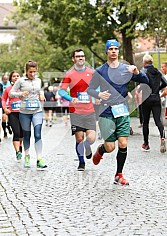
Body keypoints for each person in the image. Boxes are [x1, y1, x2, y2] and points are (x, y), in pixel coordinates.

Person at [87, 39, 149, 185]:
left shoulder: (125, 69)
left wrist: (136, 72)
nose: (113, 51)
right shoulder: (100, 71)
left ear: (118, 51)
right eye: (111, 49)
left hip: (122, 110)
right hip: (106, 111)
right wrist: (98, 95)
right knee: (110, 147)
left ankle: (119, 174)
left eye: (116, 49)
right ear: (107, 51)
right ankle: (101, 150)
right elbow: (90, 89)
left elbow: (145, 79)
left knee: (123, 143)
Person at [58, 48, 96, 171]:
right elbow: (61, 91)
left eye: (82, 56)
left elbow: (98, 87)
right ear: (73, 59)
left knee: (91, 137)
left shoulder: (92, 72)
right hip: (76, 111)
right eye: (78, 56)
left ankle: (87, 145)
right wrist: (70, 98)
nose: (81, 58)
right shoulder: (69, 74)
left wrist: (98, 97)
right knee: (79, 137)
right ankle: (81, 162)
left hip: (90, 110)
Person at [10, 60, 47, 170]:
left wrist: (41, 95)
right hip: (24, 112)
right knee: (26, 135)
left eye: (34, 72)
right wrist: (20, 94)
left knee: (38, 134)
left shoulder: (38, 80)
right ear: (26, 71)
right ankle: (27, 156)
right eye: (30, 72)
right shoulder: (20, 81)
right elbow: (11, 93)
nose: (32, 74)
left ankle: (39, 159)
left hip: (37, 111)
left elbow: (39, 91)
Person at [141, 55, 167, 153]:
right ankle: (162, 137)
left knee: (146, 122)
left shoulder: (143, 72)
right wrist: (157, 89)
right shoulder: (158, 72)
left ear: (144, 62)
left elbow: (140, 84)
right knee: (158, 120)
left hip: (146, 98)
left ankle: (146, 144)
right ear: (151, 62)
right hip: (156, 97)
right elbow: (165, 83)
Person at [2, 70, 23, 160]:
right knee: (16, 132)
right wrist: (5, 108)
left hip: (23, 113)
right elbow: (3, 99)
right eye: (14, 76)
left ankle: (20, 146)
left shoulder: (23, 88)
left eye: (17, 76)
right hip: (12, 113)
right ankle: (17, 151)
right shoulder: (8, 89)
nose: (16, 77)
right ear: (11, 78)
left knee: (22, 133)